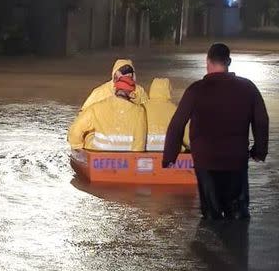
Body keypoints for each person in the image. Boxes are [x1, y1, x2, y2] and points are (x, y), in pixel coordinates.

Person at [163, 43, 269, 220]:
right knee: (239, 218)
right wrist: (259, 151)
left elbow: (177, 124)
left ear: (208, 61)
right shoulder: (248, 88)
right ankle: (239, 246)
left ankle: (211, 246)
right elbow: (261, 121)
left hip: (206, 162)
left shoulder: (195, 90)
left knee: (211, 218)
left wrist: (169, 156)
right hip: (236, 161)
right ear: (229, 62)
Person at [68, 69, 148, 152]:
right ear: (131, 92)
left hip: (98, 156)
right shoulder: (139, 111)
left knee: (89, 136)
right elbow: (139, 143)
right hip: (125, 159)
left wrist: (77, 147)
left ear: (115, 88)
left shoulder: (96, 107)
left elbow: (75, 130)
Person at [81, 59, 149, 111]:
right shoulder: (99, 92)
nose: (127, 75)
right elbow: (83, 112)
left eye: (130, 72)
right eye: (124, 72)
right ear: (115, 74)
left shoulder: (140, 91)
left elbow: (147, 112)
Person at [145, 78, 189, 152]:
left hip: (146, 151)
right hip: (170, 153)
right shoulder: (175, 110)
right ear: (168, 91)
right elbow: (188, 139)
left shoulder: (142, 109)